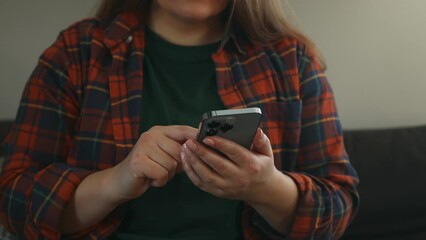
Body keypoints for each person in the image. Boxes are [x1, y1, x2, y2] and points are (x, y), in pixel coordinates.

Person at [0, 0, 359, 239]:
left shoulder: (293, 61)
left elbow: (339, 206)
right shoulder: (77, 52)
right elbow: (12, 199)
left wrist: (266, 188)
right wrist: (115, 181)